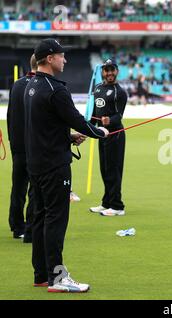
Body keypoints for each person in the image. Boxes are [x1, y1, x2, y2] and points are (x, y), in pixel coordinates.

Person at [25, 38, 109, 292]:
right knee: (55, 220)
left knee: (40, 218)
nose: (65, 59)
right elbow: (77, 120)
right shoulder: (55, 89)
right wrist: (100, 133)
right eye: (62, 56)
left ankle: (41, 274)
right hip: (54, 165)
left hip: (37, 164)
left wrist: (68, 136)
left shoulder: (32, 85)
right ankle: (58, 277)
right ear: (49, 58)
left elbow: (45, 125)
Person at [89, 59, 128, 216]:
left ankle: (117, 206)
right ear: (102, 72)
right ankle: (107, 203)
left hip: (115, 135)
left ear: (117, 71)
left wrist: (109, 120)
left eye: (112, 70)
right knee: (104, 170)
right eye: (106, 70)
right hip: (101, 135)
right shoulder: (97, 88)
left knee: (113, 171)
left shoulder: (120, 92)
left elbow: (119, 115)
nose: (109, 73)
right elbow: (93, 113)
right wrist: (88, 128)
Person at [7, 54, 37, 243]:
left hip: (17, 146)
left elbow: (11, 115)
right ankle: (30, 226)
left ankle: (16, 226)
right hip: (35, 146)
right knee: (35, 189)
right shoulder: (41, 85)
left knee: (18, 187)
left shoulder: (17, 85)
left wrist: (12, 141)